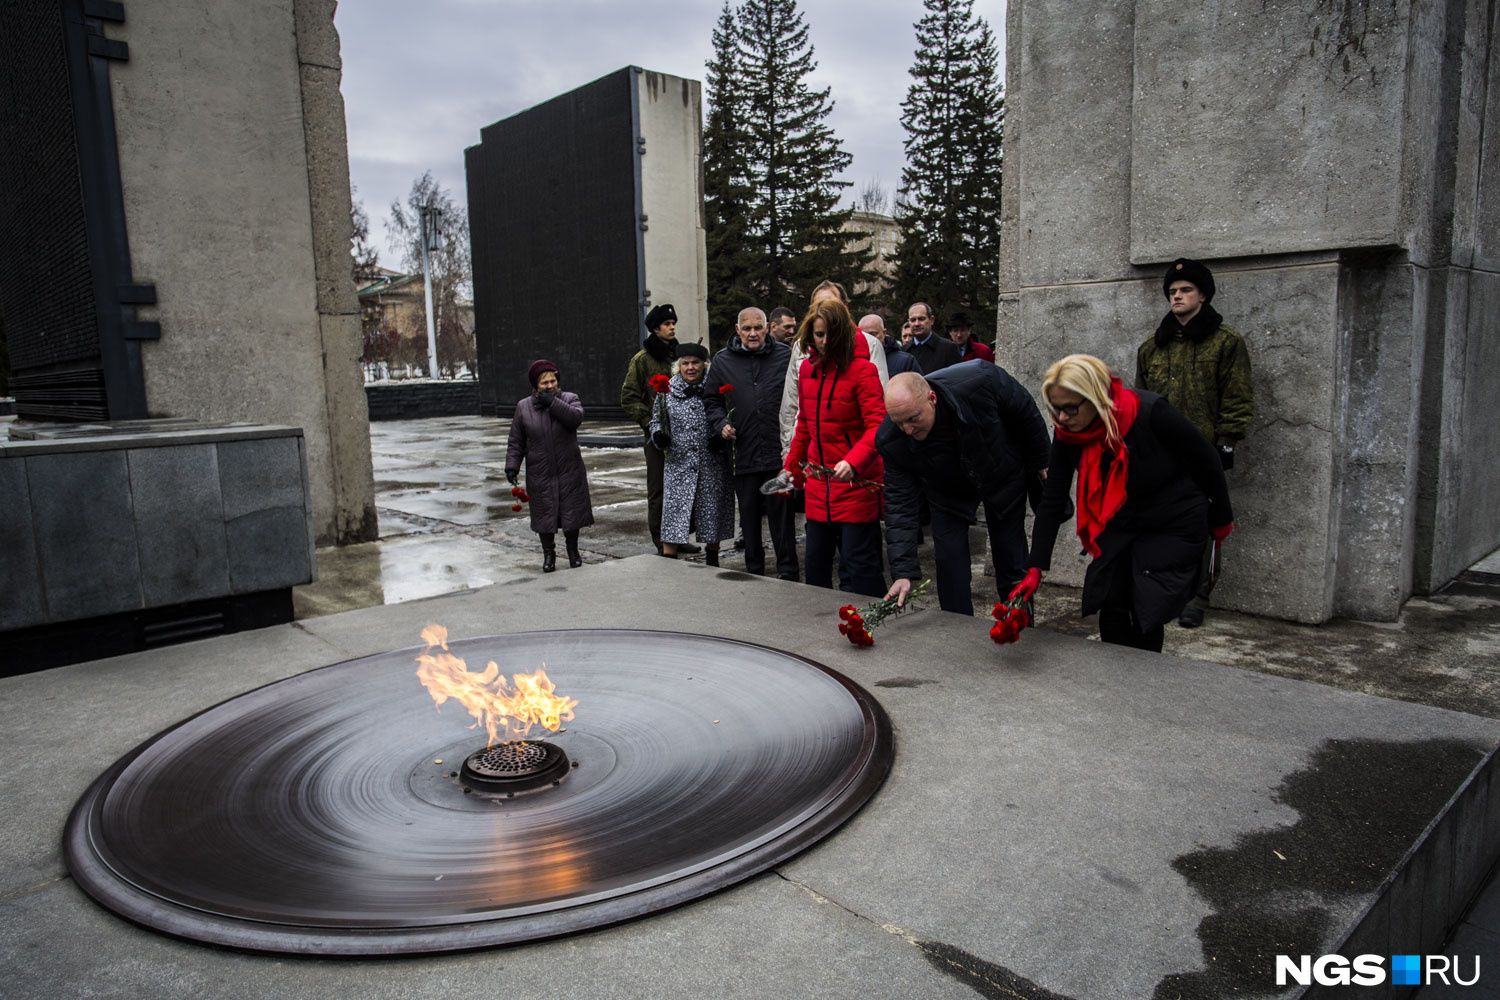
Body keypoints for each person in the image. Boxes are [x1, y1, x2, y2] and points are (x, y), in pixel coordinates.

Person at [1010, 354, 1233, 651]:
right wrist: (1035, 567)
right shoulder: (1068, 434)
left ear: (1097, 399)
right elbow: (1052, 499)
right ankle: (1116, 679)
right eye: (1054, 408)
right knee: (1111, 597)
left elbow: (1207, 460)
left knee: (1146, 605)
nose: (1061, 418)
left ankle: (1140, 683)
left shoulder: (1152, 412)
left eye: (1069, 408)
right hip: (1118, 517)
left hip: (1170, 517)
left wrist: (1221, 521)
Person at [1135, 258, 1254, 628]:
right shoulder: (1153, 347)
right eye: (1172, 292)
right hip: (1161, 454)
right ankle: (1160, 587)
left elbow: (1236, 397)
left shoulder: (1226, 342)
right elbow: (1140, 400)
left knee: (1205, 525)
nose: (1177, 296)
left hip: (1204, 451)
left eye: (1185, 290)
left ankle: (1198, 595)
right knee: (1158, 519)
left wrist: (1226, 443)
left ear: (1203, 295)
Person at [879, 366, 1050, 616]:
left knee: (1011, 559)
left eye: (913, 418)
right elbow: (899, 503)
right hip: (946, 492)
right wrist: (903, 571)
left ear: (932, 399)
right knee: (950, 565)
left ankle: (1020, 624)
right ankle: (957, 633)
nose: (907, 430)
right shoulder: (890, 439)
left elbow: (1025, 411)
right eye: (899, 422)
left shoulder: (981, 381)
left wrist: (1042, 459)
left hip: (1000, 473)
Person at [782, 299, 887, 597]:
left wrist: (854, 462)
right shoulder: (807, 372)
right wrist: (791, 468)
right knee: (815, 563)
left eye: (830, 334)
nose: (824, 341)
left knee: (860, 564)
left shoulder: (863, 371)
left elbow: (878, 426)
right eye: (818, 334)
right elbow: (804, 425)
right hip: (819, 485)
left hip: (855, 484)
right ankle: (819, 625)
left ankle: (877, 619)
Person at [703, 307, 799, 580]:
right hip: (742, 452)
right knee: (749, 519)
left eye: (758, 327)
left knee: (783, 518)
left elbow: (797, 395)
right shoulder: (722, 361)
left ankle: (789, 571)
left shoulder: (784, 356)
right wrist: (721, 424)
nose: (753, 333)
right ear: (738, 330)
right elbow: (711, 400)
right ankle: (754, 570)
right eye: (747, 329)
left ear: (767, 327)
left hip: (777, 453)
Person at [778, 280, 888, 458]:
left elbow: (879, 406)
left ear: (844, 308)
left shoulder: (869, 345)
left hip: (851, 451)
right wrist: (788, 449)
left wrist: (860, 457)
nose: (824, 310)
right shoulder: (801, 346)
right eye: (818, 306)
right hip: (809, 449)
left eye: (830, 304)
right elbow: (791, 402)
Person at [620, 303, 698, 554]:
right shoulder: (642, 361)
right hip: (657, 439)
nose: (672, 327)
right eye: (667, 324)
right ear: (655, 329)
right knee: (659, 492)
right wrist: (650, 423)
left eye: (673, 323)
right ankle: (661, 542)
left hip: (684, 435)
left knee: (685, 487)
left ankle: (678, 536)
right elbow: (629, 397)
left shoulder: (680, 357)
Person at [648, 343, 734, 564]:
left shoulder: (715, 388)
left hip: (711, 461)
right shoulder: (667, 390)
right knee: (674, 512)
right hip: (679, 462)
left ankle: (713, 558)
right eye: (685, 363)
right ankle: (669, 559)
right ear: (678, 366)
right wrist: (658, 435)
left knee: (711, 509)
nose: (690, 367)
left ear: (704, 365)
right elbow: (657, 420)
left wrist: (720, 437)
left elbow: (729, 415)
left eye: (695, 362)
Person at [506, 360, 594, 572]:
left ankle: (573, 551)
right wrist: (512, 465)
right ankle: (549, 554)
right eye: (544, 382)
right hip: (540, 471)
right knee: (544, 515)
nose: (550, 385)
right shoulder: (523, 407)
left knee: (571, 514)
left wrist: (552, 403)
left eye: (553, 380)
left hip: (568, 469)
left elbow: (575, 419)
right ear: (535, 385)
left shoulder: (570, 399)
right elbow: (516, 440)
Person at [904, 302, 962, 374]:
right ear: (908, 322)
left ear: (931, 320)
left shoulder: (948, 349)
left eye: (921, 319)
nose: (917, 324)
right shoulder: (904, 351)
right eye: (913, 320)